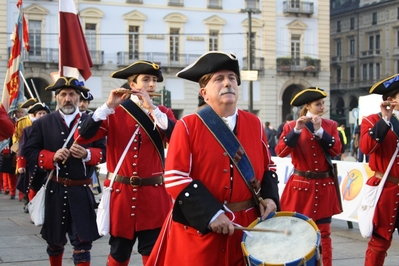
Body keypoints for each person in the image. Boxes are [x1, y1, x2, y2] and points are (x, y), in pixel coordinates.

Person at [147, 51, 280, 266]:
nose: (228, 83)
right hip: (201, 230)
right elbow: (174, 177)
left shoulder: (255, 123)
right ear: (204, 92)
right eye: (219, 79)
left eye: (232, 78)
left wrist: (271, 198)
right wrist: (211, 214)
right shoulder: (187, 126)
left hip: (247, 229)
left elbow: (269, 167)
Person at [76, 60, 176, 266]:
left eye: (154, 81)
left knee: (154, 253)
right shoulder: (115, 112)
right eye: (146, 80)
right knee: (119, 252)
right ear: (132, 85)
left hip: (154, 196)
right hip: (122, 195)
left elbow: (176, 139)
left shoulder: (163, 113)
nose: (151, 85)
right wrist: (107, 106)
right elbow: (83, 136)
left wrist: (153, 110)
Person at [23, 77, 106, 266]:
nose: (67, 98)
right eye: (63, 94)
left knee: (83, 244)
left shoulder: (91, 122)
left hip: (82, 191)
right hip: (55, 190)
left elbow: (105, 152)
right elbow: (29, 152)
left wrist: (87, 153)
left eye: (72, 94)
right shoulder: (42, 123)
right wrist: (51, 157)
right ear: (57, 97)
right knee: (54, 242)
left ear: (78, 97)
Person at [275, 87, 342, 266]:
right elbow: (280, 151)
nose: (322, 106)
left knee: (325, 233)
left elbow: (336, 150)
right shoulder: (291, 126)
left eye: (322, 103)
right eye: (317, 104)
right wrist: (297, 130)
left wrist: (320, 131)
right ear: (307, 106)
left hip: (324, 186)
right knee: (297, 233)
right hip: (300, 186)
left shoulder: (330, 125)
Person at [359, 74, 399, 266]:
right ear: (391, 100)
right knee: (380, 243)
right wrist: (385, 120)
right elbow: (366, 147)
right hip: (387, 190)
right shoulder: (371, 120)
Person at [16, 102, 50, 209]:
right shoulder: (27, 130)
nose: (42, 115)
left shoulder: (52, 129)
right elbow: (22, 147)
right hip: (33, 164)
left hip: (48, 163)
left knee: (47, 187)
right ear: (34, 115)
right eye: (39, 113)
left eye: (44, 113)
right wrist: (21, 164)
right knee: (33, 187)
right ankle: (33, 209)